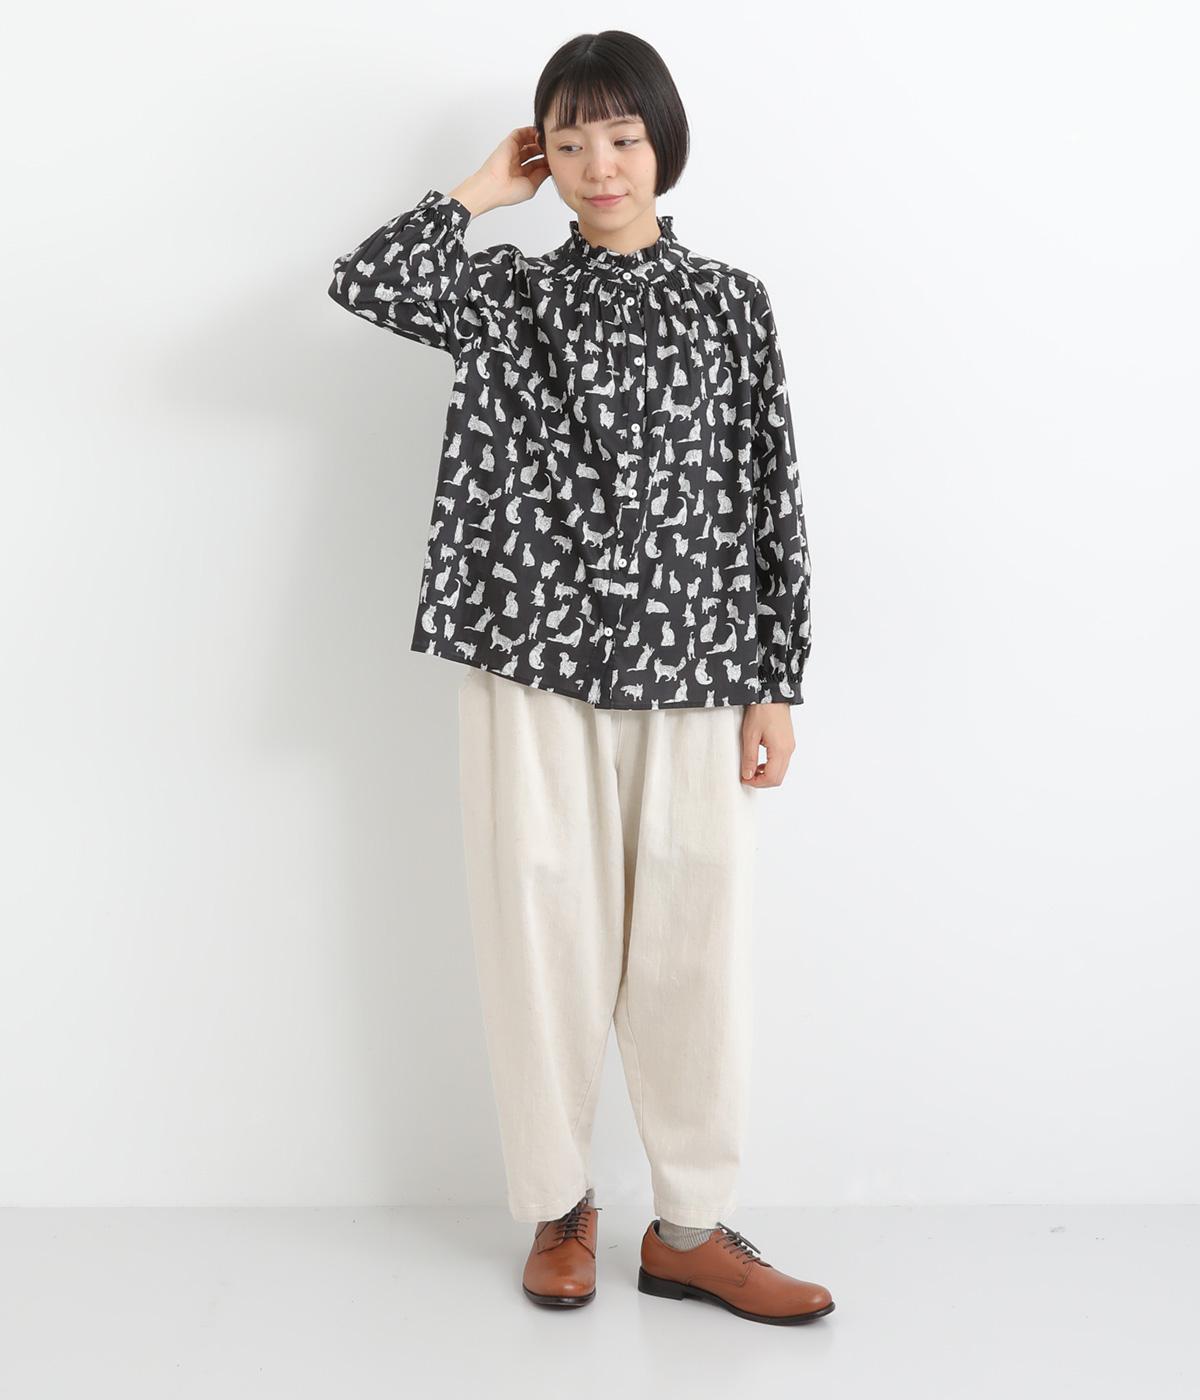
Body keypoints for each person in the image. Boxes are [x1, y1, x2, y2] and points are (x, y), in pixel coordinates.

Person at [327, 30, 833, 1326]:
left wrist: (775, 680)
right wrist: (475, 194)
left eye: (622, 136)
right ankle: (560, 1210)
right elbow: (366, 279)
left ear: (663, 144)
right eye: (569, 141)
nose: (599, 163)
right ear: (540, 157)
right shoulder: (507, 296)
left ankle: (691, 1230)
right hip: (530, 654)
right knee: (540, 934)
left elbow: (768, 489)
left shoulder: (731, 303)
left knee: (694, 942)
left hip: (696, 657)